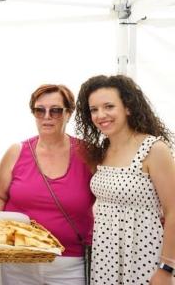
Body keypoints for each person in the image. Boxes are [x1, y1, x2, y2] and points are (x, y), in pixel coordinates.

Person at [0, 84, 95, 284]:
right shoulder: (16, 151)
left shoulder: (88, 154)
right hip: (18, 261)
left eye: (55, 110)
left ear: (69, 113)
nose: (47, 116)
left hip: (69, 264)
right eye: (39, 110)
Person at [74, 75, 175, 285]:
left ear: (128, 107)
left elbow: (173, 210)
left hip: (144, 256)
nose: (101, 115)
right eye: (94, 109)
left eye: (109, 106)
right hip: (105, 256)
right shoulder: (102, 151)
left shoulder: (154, 149)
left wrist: (166, 268)